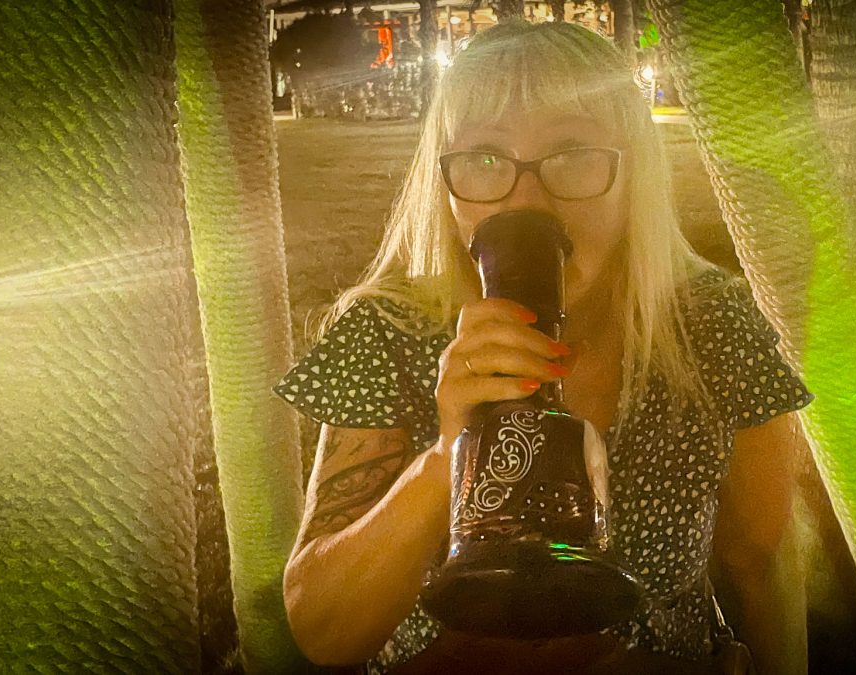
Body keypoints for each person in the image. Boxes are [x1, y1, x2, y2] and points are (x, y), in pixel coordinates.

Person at [276, 19, 813, 675]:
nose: (527, 200)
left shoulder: (713, 323)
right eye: (483, 159)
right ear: (443, 186)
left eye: (572, 155)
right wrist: (448, 451)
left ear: (634, 174)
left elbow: (759, 559)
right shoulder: (387, 328)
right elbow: (323, 629)